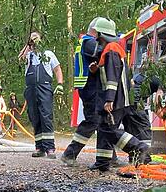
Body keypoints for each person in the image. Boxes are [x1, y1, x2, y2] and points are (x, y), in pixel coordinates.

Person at [88, 19, 151, 171]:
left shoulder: (111, 49)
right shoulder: (109, 49)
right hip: (116, 97)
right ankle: (102, 163)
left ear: (102, 34)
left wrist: (109, 98)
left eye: (95, 33)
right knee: (104, 129)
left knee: (109, 129)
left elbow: (112, 76)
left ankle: (138, 147)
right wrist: (95, 69)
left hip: (116, 99)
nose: (94, 37)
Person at [60, 17, 105, 166]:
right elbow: (102, 53)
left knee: (103, 122)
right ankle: (69, 154)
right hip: (90, 88)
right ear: (97, 32)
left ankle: (108, 158)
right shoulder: (89, 42)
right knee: (93, 121)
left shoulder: (83, 42)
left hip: (87, 87)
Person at [19, 31, 64, 158]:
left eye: (36, 37)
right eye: (32, 38)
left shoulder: (48, 54)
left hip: (44, 87)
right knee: (35, 117)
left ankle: (50, 148)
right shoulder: (28, 55)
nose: (34, 40)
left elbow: (57, 69)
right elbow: (20, 59)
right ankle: (39, 148)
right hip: (31, 89)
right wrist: (28, 45)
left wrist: (60, 84)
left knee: (46, 116)